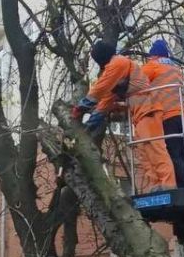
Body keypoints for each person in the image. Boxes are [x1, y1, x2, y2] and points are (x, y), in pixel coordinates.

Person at [72, 40, 176, 193]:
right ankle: (155, 185)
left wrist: (82, 106)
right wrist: (88, 127)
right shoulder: (116, 73)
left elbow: (100, 89)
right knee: (145, 152)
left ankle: (168, 184)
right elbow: (105, 103)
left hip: (149, 109)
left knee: (155, 148)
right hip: (139, 114)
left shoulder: (118, 63)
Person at [141, 39, 184, 189]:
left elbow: (136, 82)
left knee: (173, 154)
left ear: (153, 55)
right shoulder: (176, 69)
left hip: (169, 116)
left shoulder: (152, 66)